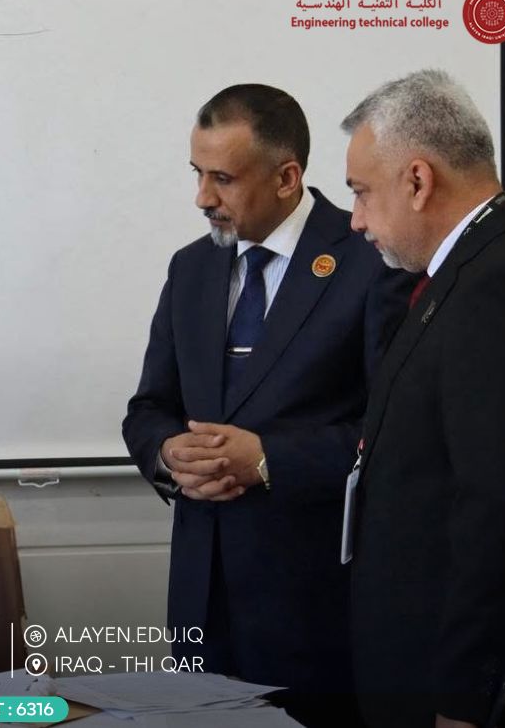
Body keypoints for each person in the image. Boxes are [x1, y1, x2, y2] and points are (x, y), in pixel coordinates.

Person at [122, 84, 412, 726]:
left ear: (287, 178)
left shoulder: (372, 261)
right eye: (197, 174)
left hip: (318, 609)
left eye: (222, 179)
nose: (202, 198)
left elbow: (396, 433)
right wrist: (168, 453)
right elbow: (148, 408)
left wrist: (268, 460)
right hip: (201, 605)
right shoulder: (190, 269)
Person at [343, 70, 505, 728]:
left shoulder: (500, 281)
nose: (355, 219)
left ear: (418, 181)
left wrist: (464, 696)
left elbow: (500, 504)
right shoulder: (468, 268)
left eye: (361, 192)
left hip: (447, 687)